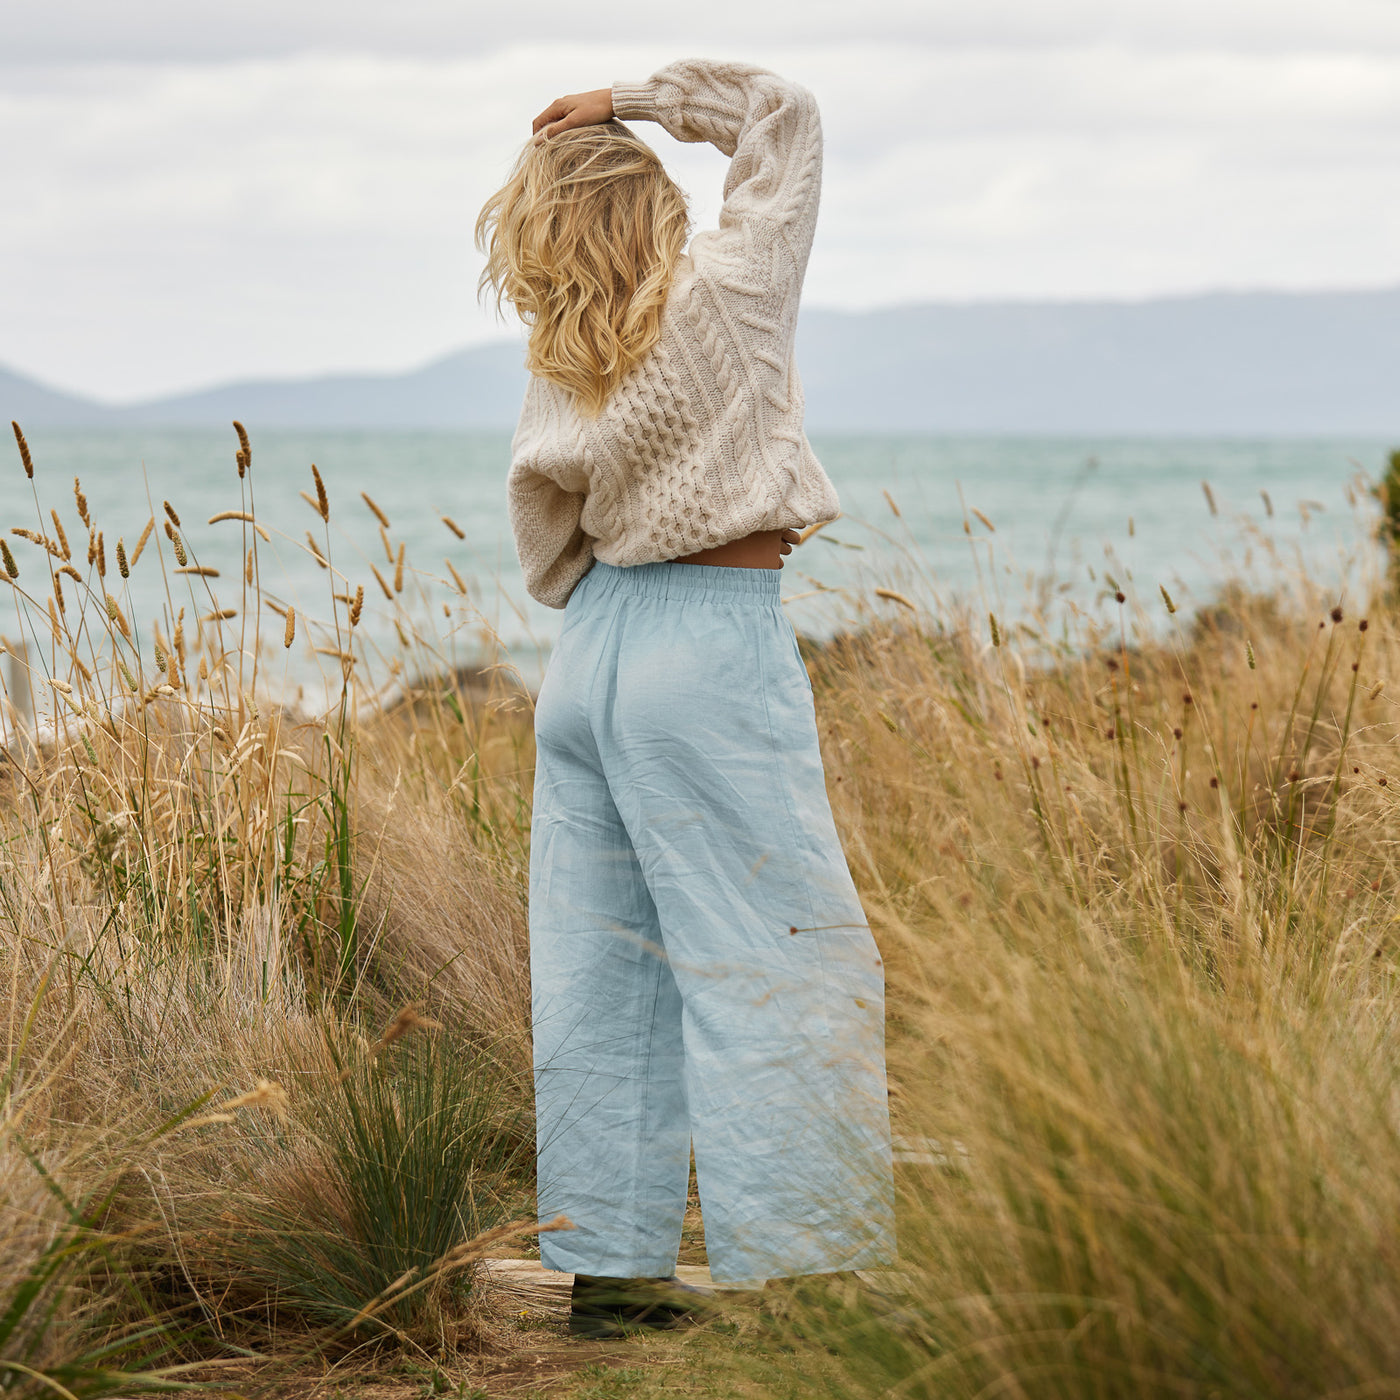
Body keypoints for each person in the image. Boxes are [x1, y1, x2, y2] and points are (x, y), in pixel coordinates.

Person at [476, 58, 896, 1340]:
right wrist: (633, 98)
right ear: (651, 199)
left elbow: (544, 533)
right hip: (707, 640)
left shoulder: (565, 352)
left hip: (591, 652)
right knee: (780, 956)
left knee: (601, 969)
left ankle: (609, 1276)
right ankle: (810, 1279)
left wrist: (614, 579)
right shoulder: (728, 284)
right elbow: (783, 118)